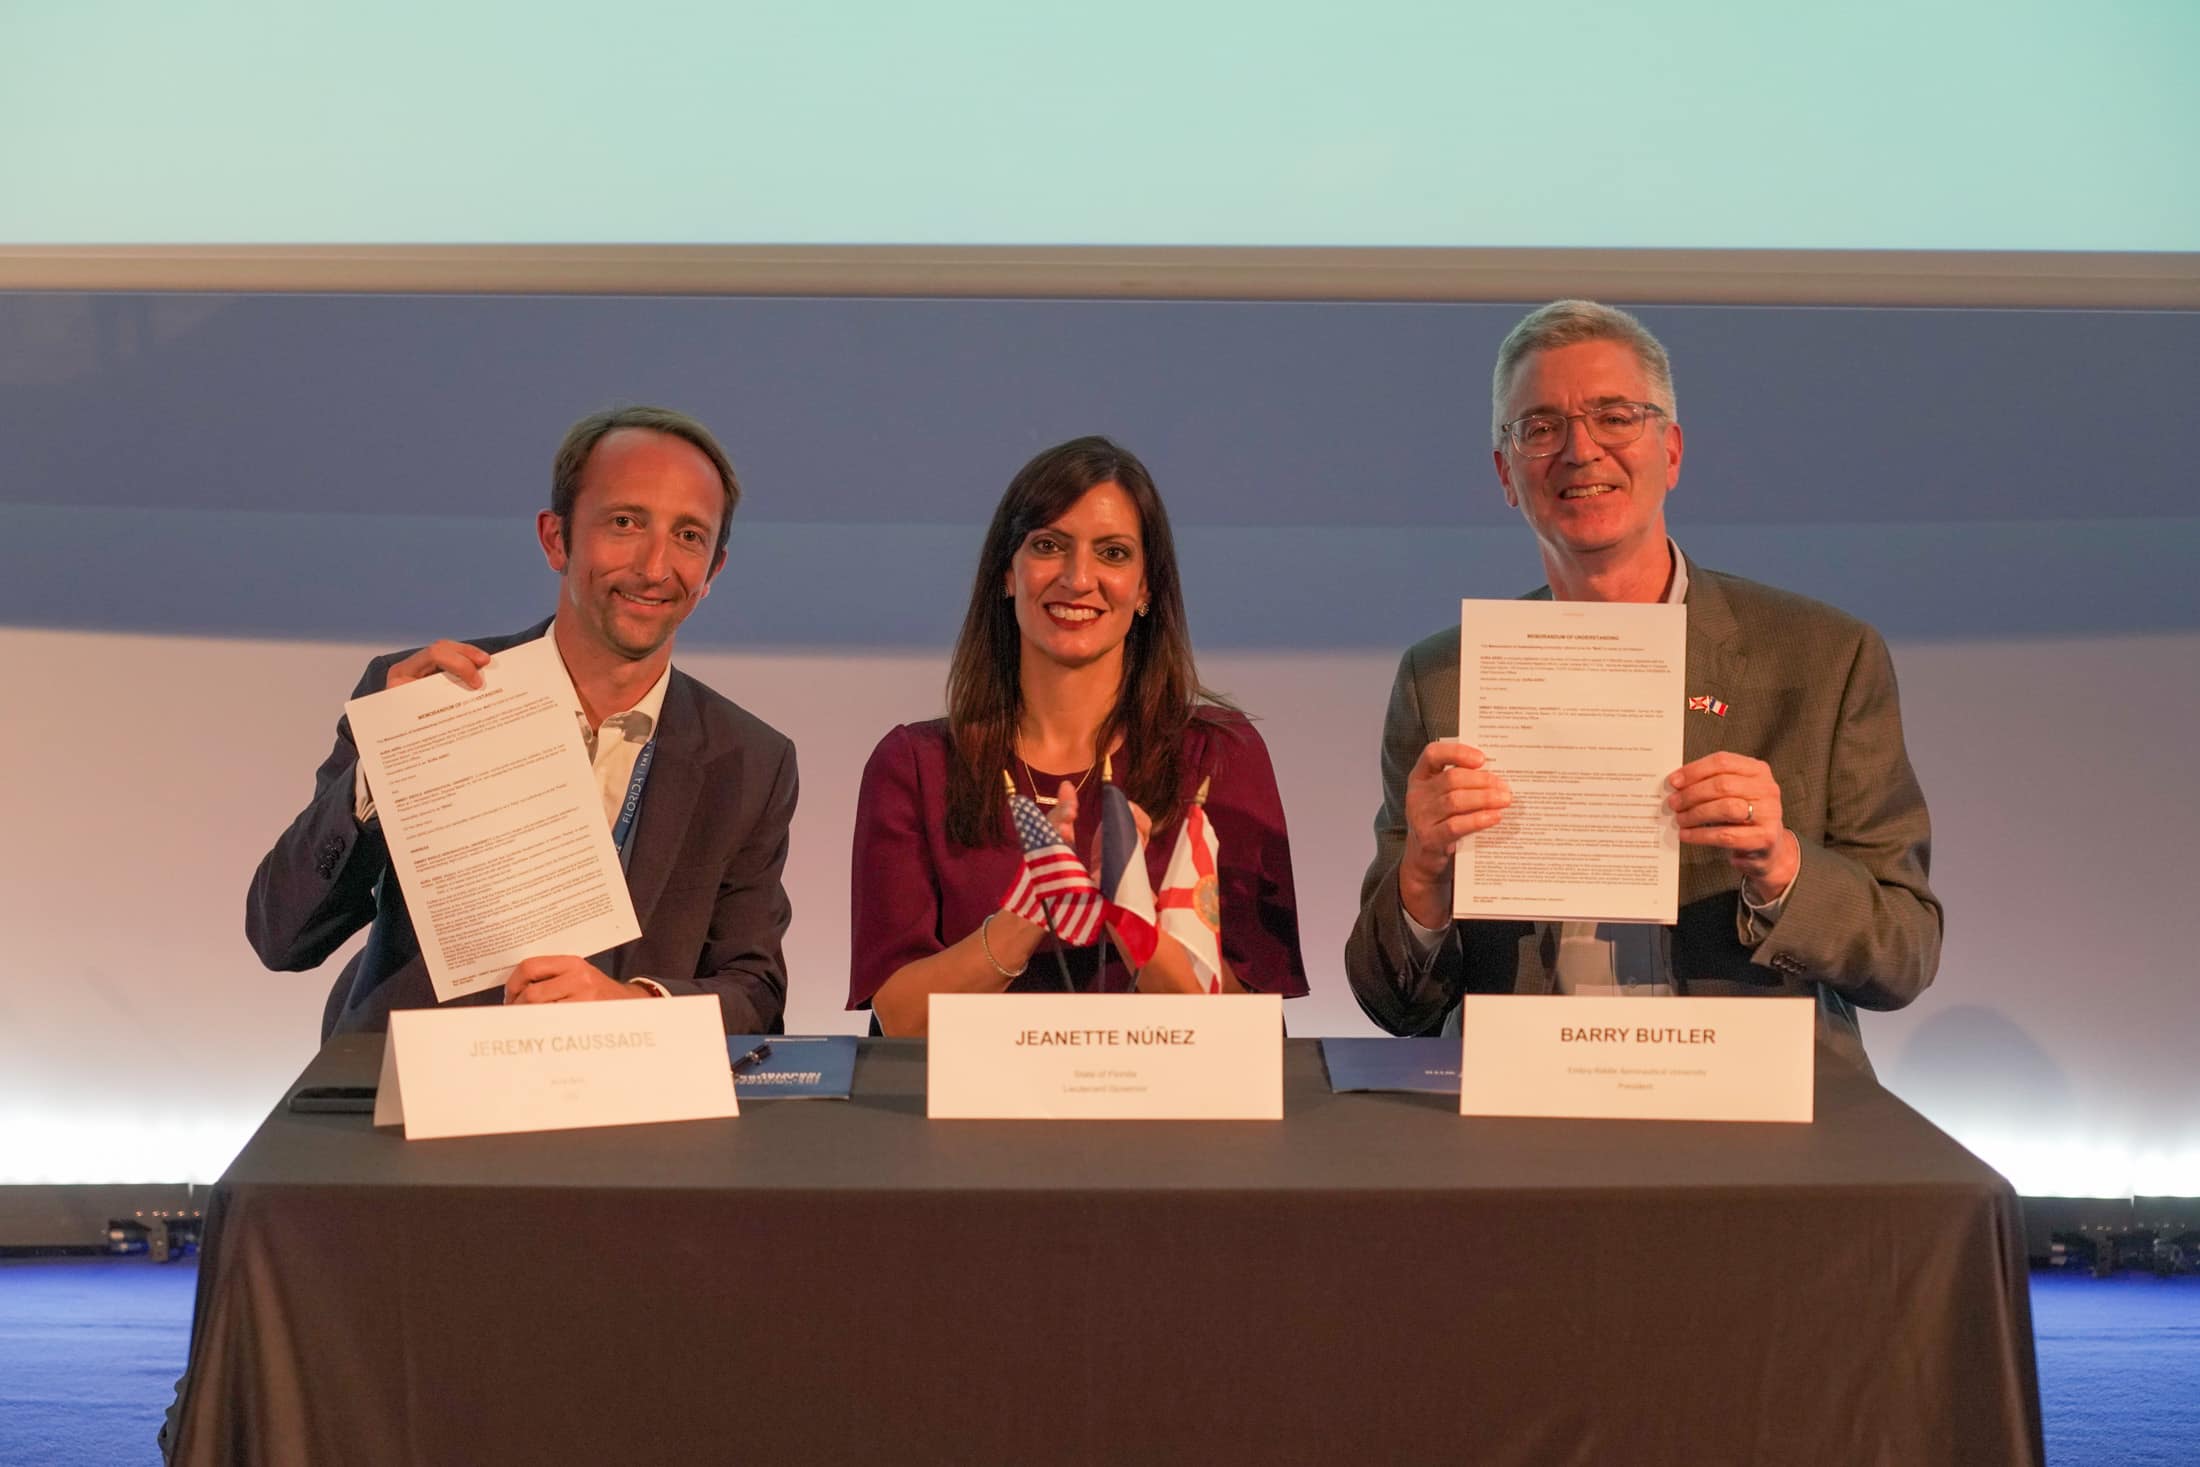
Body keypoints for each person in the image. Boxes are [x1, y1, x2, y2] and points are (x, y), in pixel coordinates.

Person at [1344, 301, 1939, 1067]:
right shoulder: (1444, 678)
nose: (1580, 450)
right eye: (1540, 427)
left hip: (1752, 1113)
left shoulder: (1824, 657)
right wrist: (1422, 875)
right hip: (1522, 1111)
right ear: (1505, 473)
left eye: (1615, 416)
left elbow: (1905, 949)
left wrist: (1782, 866)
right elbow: (1390, 1001)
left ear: (1673, 451)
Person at [246, 405, 798, 1037]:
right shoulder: (428, 695)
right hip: (419, 1102)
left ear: (713, 573)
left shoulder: (750, 760)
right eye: (624, 522)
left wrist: (635, 1004)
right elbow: (280, 936)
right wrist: (389, 760)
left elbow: (755, 994)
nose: (654, 566)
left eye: (689, 536)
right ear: (555, 538)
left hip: (622, 1109)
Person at [849, 435, 1308, 1034]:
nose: (1078, 577)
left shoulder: (1217, 753)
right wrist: (1022, 920)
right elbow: (899, 1019)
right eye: (1048, 546)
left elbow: (1250, 1027)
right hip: (975, 1117)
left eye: (1113, 553)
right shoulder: (914, 763)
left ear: (1146, 589)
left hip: (1167, 1116)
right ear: (1007, 575)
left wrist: (1131, 913)